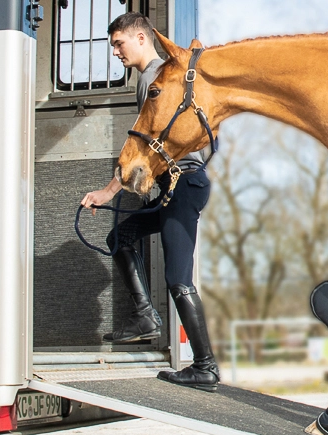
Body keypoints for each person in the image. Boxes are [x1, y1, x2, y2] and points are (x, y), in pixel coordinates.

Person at [79, 13, 218, 391]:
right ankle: (145, 316)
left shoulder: (155, 78)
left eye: (119, 44)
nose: (116, 52)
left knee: (177, 279)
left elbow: (143, 151)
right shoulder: (149, 78)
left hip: (184, 184)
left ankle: (206, 366)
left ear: (141, 38)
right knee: (119, 238)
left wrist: (107, 192)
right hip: (175, 187)